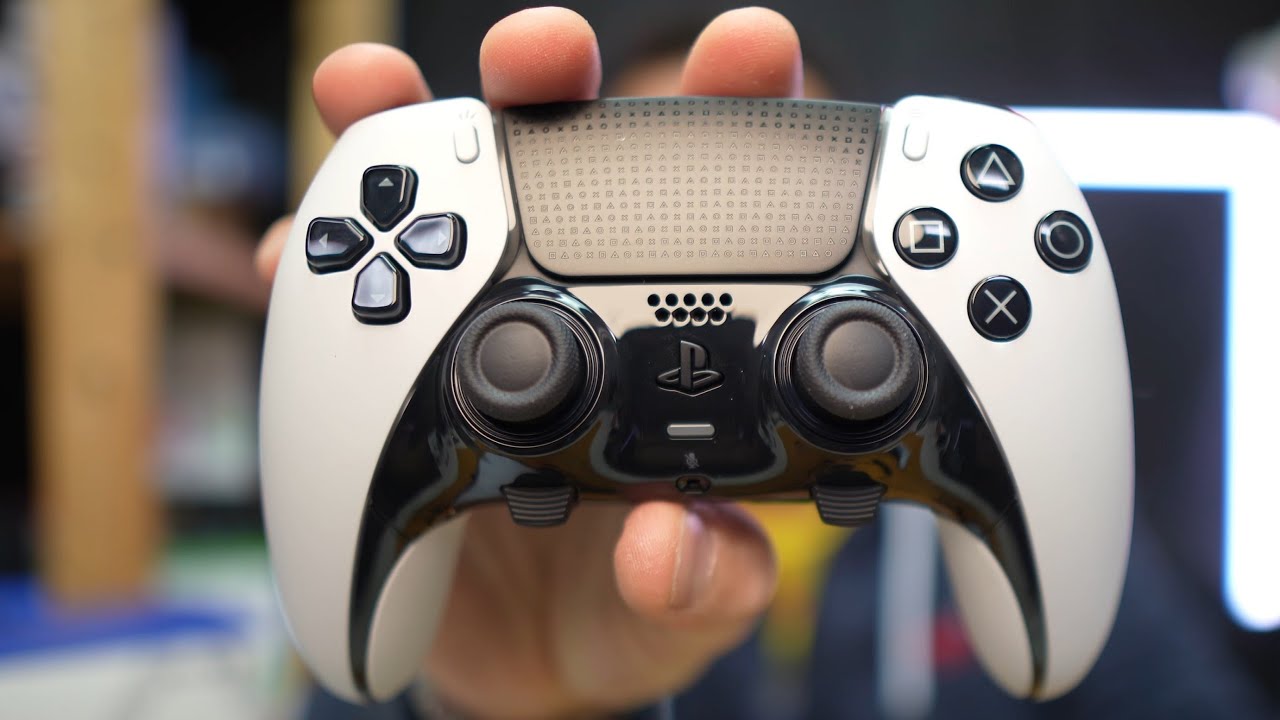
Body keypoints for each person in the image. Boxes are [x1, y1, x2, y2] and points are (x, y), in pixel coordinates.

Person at [256, 7, 1279, 719]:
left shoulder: (1007, 507)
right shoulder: (505, 555)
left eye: (758, 205)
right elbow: (351, 683)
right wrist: (496, 710)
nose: (695, 298)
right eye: (639, 208)